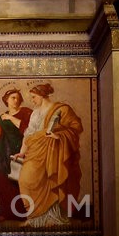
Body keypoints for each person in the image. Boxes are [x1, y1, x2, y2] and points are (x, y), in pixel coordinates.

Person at [13, 82, 83, 227]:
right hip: (35, 151)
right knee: (25, 180)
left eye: (33, 97)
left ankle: (53, 217)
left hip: (53, 151)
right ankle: (34, 219)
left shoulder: (61, 109)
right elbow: (28, 135)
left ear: (42, 95)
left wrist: (60, 136)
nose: (32, 100)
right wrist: (21, 152)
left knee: (51, 181)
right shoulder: (35, 113)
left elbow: (75, 127)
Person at [0, 87, 33, 221]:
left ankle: (24, 213)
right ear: (6, 100)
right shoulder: (2, 116)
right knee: (2, 181)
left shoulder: (26, 112)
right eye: (13, 97)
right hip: (5, 154)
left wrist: (11, 118)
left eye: (18, 98)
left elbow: (30, 130)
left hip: (23, 151)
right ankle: (7, 213)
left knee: (20, 183)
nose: (16, 100)